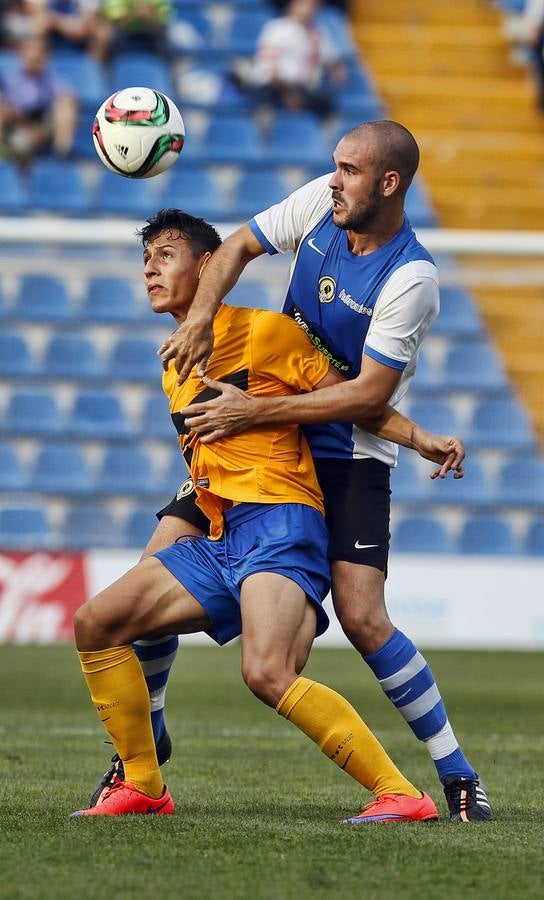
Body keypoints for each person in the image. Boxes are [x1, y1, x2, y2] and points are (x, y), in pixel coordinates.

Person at [73, 207, 463, 821]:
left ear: (208, 268)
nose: (150, 267)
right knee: (97, 623)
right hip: (222, 533)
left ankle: (402, 795)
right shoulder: (174, 360)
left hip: (281, 526)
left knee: (266, 672)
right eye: (145, 258)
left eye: (166, 254)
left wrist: (418, 438)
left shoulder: (265, 333)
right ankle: (145, 784)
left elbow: (350, 397)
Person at [156, 122, 493, 824]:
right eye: (334, 167)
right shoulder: (320, 205)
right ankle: (143, 741)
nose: (334, 179)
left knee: (362, 617)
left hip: (347, 453)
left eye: (349, 170)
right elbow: (239, 246)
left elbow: (368, 395)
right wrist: (203, 320)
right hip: (264, 439)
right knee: (155, 563)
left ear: (389, 183)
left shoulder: (411, 277)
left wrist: (257, 412)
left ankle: (457, 775)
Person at [248, 0, 346, 116]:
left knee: (328, 105)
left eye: (313, 6)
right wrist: (288, 94)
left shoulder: (318, 32)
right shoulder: (277, 29)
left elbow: (333, 60)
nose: (309, 9)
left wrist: (337, 72)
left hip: (304, 92)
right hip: (275, 90)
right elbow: (270, 70)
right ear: (293, 5)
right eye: (305, 4)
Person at [0, 34, 77, 163]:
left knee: (66, 105)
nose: (34, 57)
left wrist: (40, 130)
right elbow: (9, 109)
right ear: (22, 55)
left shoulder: (52, 81)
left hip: (43, 125)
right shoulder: (10, 80)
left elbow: (66, 99)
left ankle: (61, 153)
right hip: (18, 124)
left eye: (38, 54)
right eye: (30, 52)